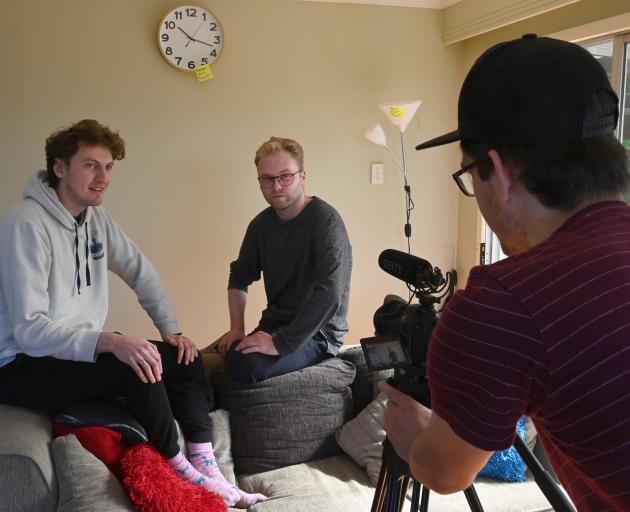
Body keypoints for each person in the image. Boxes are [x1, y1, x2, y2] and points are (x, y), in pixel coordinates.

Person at [378, 34, 630, 511]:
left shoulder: (504, 302)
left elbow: (445, 472)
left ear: (497, 168)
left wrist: (414, 434)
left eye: (469, 176)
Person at [0, 119, 265, 508]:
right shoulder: (25, 224)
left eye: (108, 167)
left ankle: (205, 462)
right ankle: (179, 468)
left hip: (71, 352)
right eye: (90, 165)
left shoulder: (95, 220)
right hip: (22, 364)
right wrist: (111, 341)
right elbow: (29, 331)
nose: (102, 177)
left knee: (185, 359)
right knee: (135, 364)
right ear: (59, 168)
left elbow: (141, 272)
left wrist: (172, 330)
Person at [217, 136, 352, 383]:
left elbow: (330, 293)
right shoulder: (260, 226)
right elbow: (239, 276)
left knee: (244, 366)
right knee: (223, 352)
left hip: (318, 334)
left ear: (302, 176)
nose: (276, 186)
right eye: (267, 179)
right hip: (275, 324)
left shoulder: (325, 222)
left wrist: (281, 343)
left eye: (285, 176)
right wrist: (237, 329)